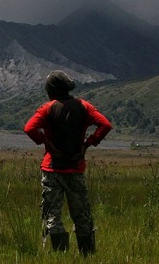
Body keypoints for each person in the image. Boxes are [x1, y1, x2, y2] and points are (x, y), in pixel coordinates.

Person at [24, 70, 112, 256]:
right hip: (75, 168)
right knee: (82, 215)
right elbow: (105, 125)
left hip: (52, 168)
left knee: (52, 215)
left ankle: (58, 255)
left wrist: (46, 143)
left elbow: (29, 128)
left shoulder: (47, 108)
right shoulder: (84, 106)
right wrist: (87, 145)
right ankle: (87, 254)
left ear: (51, 90)